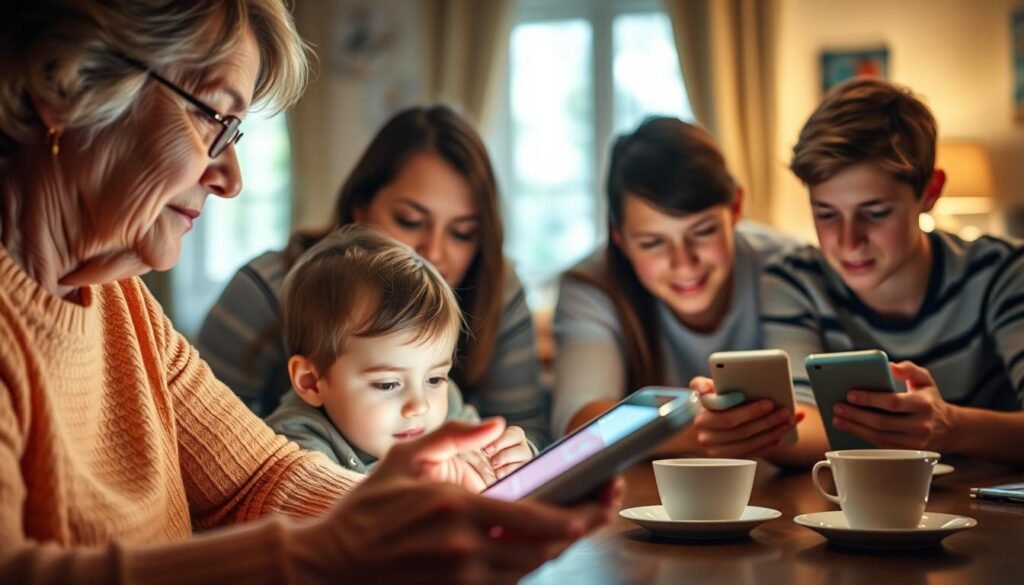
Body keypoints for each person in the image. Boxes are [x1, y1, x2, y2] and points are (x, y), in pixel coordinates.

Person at [0, 2, 617, 583]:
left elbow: (258, 478)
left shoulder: (123, 302)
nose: (231, 179)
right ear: (68, 83)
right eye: (211, 116)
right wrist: (326, 554)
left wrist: (411, 516)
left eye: (235, 135)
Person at [198, 105, 550, 448]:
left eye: (462, 233)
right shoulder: (264, 288)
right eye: (410, 221)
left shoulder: (496, 290)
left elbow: (520, 434)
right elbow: (212, 450)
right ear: (360, 206)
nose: (434, 253)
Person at [745, 78, 1024, 467]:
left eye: (875, 213)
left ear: (929, 193)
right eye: (826, 214)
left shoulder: (1002, 273)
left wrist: (952, 426)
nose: (848, 241)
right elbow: (800, 428)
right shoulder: (795, 279)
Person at [551, 117, 807, 463]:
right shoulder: (591, 285)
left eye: (702, 232)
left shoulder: (789, 267)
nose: (683, 263)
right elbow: (579, 424)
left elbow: (810, 412)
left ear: (735, 208)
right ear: (620, 239)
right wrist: (697, 430)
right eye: (653, 243)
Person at [266, 225, 532, 480]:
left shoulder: (447, 404)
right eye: (388, 384)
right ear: (311, 382)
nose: (420, 405)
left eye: (434, 378)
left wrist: (510, 464)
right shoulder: (294, 447)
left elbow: (487, 473)